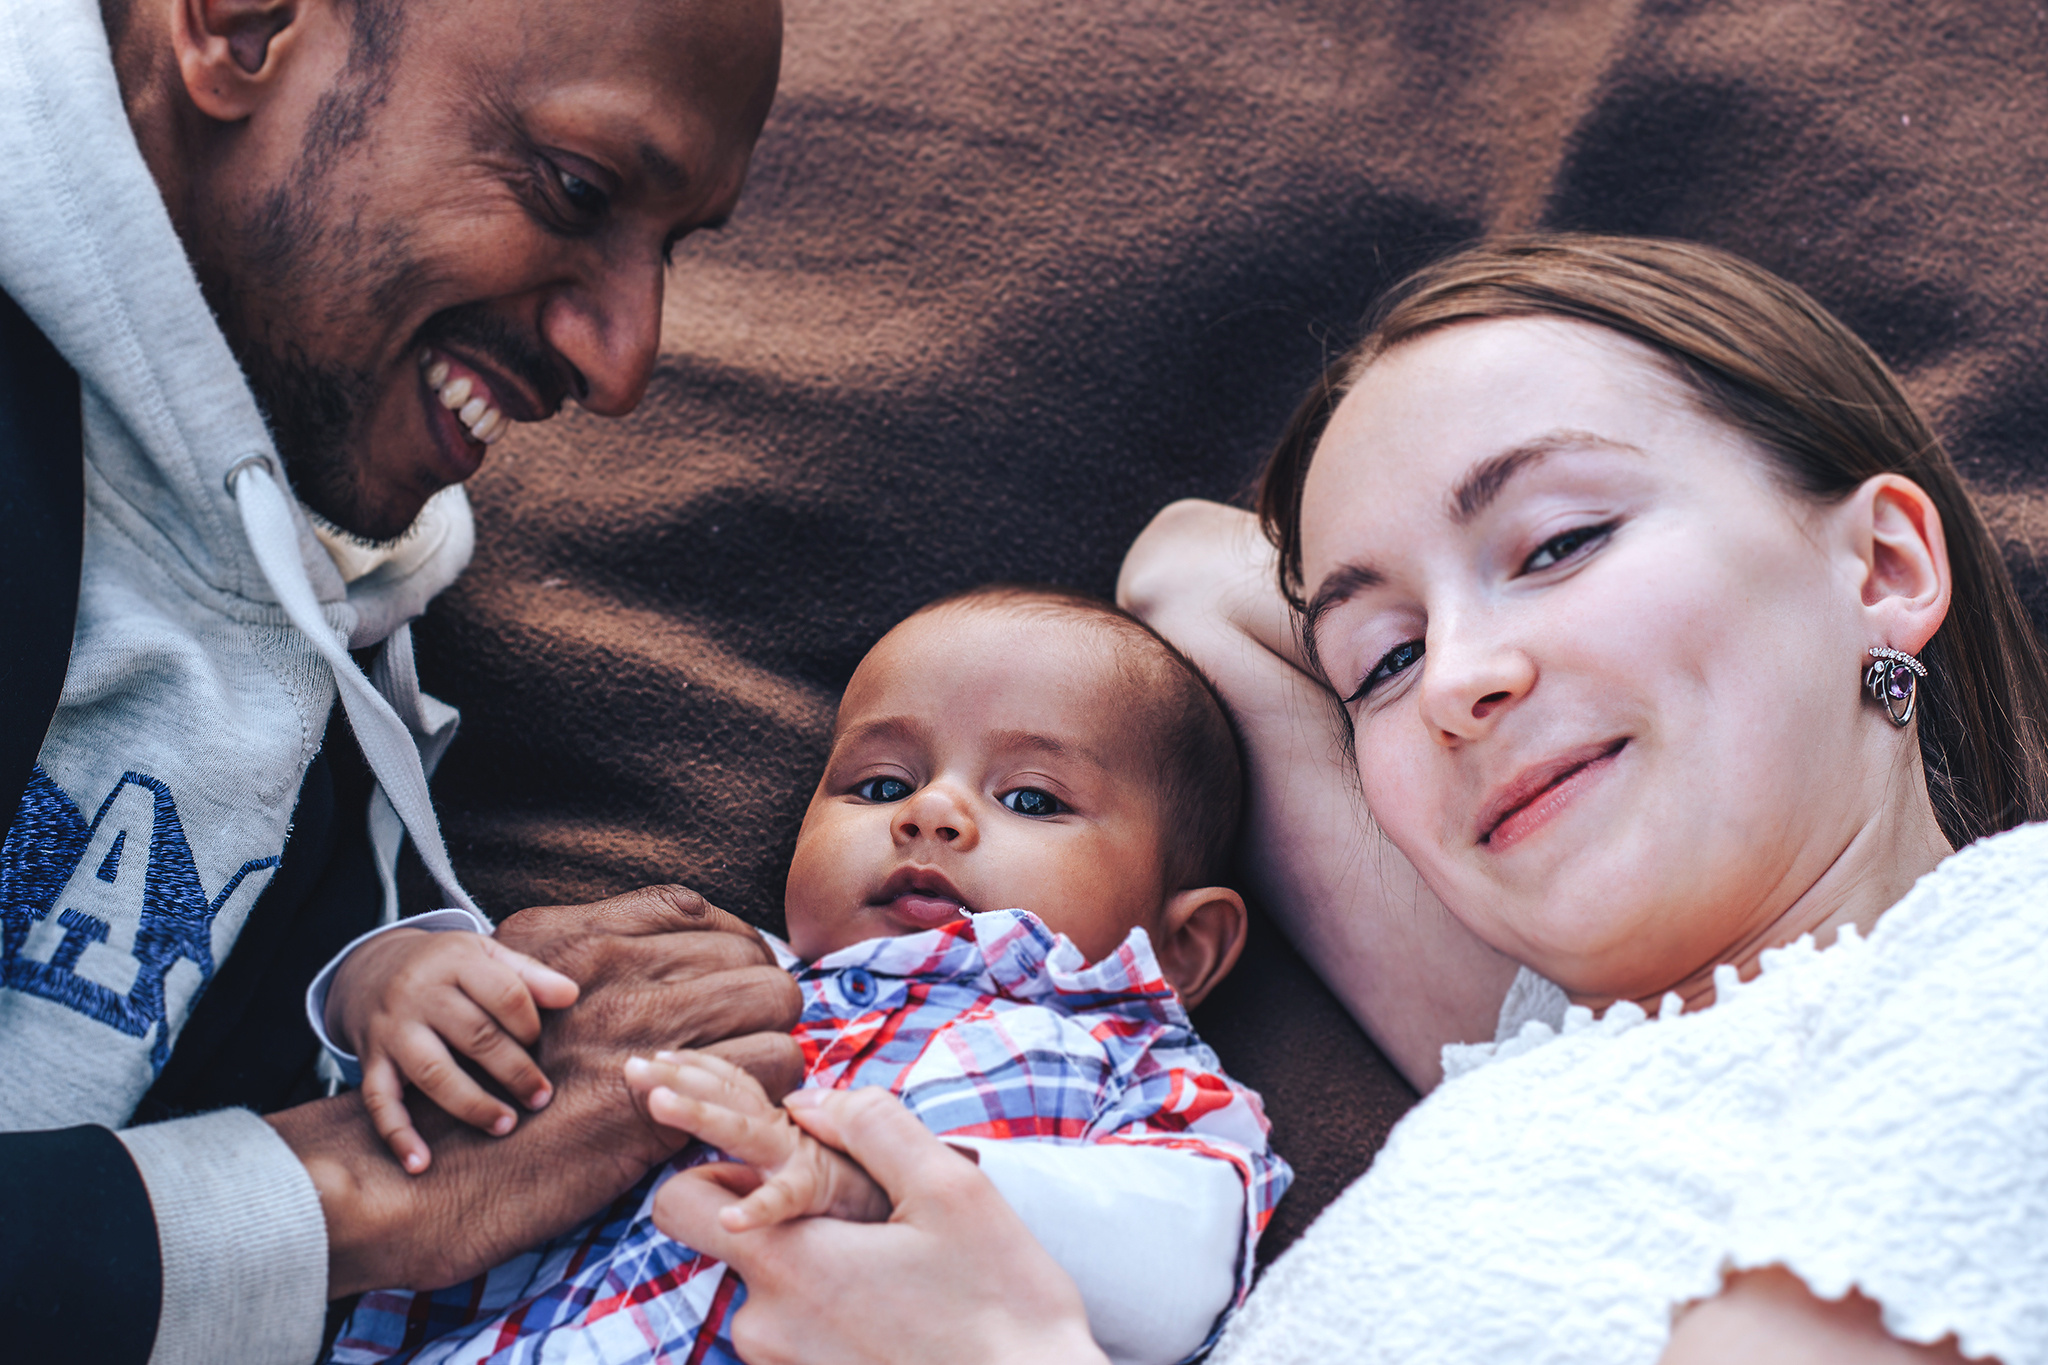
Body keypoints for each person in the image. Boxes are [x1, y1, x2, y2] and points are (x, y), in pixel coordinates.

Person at [648, 236, 2048, 1364]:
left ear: (1881, 568)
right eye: (1381, 658)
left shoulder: (2005, 956)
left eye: (1561, 538)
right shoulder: (1549, 1056)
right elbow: (1184, 577)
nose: (1456, 683)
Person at [0, 1, 805, 1362]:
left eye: (663, 251)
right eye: (579, 189)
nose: (624, 363)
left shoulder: (336, 549)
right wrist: (346, 1196)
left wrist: (419, 1002)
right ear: (242, 24)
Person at [314, 586, 1291, 1365]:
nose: (931, 814)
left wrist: (890, 1185)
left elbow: (1180, 1277)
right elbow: (494, 1032)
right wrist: (393, 973)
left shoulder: (1144, 1074)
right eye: (878, 786)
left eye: (1030, 797)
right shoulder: (714, 979)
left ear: (1184, 948)